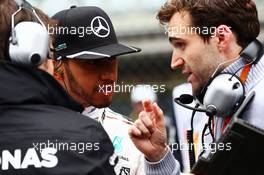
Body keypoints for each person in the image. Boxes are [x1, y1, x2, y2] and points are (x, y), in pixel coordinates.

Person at [128, 0, 264, 174]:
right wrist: (159, 157)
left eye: (180, 44)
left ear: (221, 38)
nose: (174, 62)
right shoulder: (221, 102)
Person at [0, 0, 116, 174]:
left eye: (111, 61)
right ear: (31, 55)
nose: (108, 75)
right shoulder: (85, 137)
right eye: (49, 52)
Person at [51, 6, 145, 175]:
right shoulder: (26, 132)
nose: (108, 75)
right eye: (93, 62)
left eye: (112, 60)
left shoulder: (133, 138)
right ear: (57, 65)